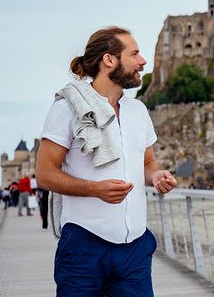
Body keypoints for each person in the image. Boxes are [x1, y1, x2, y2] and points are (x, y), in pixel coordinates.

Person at [36, 26, 177, 296]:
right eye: (134, 54)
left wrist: (157, 176)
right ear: (109, 60)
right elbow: (44, 174)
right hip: (83, 245)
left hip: (135, 248)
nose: (143, 61)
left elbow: (148, 164)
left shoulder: (138, 111)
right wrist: (94, 189)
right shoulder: (65, 108)